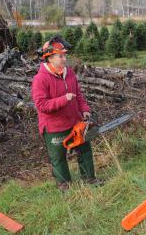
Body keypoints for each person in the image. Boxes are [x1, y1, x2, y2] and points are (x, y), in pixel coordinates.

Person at [31, 36, 103, 191]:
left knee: (84, 150)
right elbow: (41, 105)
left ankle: (90, 178)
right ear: (49, 57)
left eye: (65, 55)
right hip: (54, 126)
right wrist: (64, 99)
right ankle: (64, 185)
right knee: (58, 157)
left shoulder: (68, 72)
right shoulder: (40, 79)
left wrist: (84, 109)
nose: (64, 59)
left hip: (74, 120)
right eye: (61, 56)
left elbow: (78, 94)